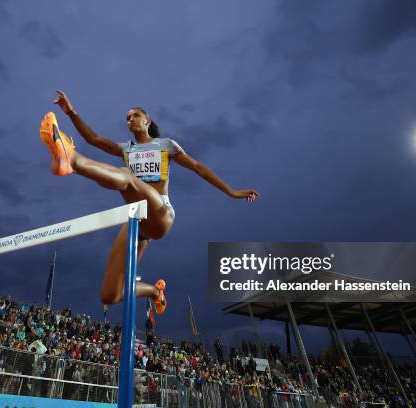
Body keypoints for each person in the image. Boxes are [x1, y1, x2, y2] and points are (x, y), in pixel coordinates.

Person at [40, 90, 259, 315]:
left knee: (126, 176)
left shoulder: (165, 145)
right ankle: (155, 292)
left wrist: (231, 192)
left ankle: (72, 159)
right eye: (127, 118)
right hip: (137, 219)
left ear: (147, 121)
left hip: (161, 212)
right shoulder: (127, 149)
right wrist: (70, 111)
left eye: (134, 115)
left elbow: (198, 167)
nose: (130, 120)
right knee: (110, 294)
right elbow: (94, 139)